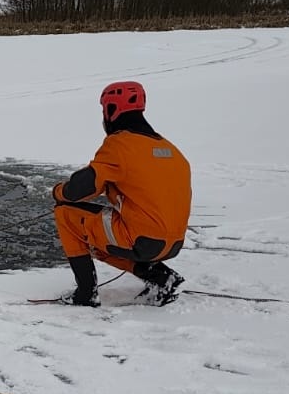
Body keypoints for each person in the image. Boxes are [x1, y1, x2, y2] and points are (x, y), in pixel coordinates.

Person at [51, 80, 190, 306]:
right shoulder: (171, 150)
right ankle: (161, 277)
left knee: (65, 214)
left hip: (141, 240)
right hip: (173, 242)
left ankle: (86, 293)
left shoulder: (120, 144)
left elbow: (82, 188)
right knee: (97, 235)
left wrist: (59, 192)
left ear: (111, 110)